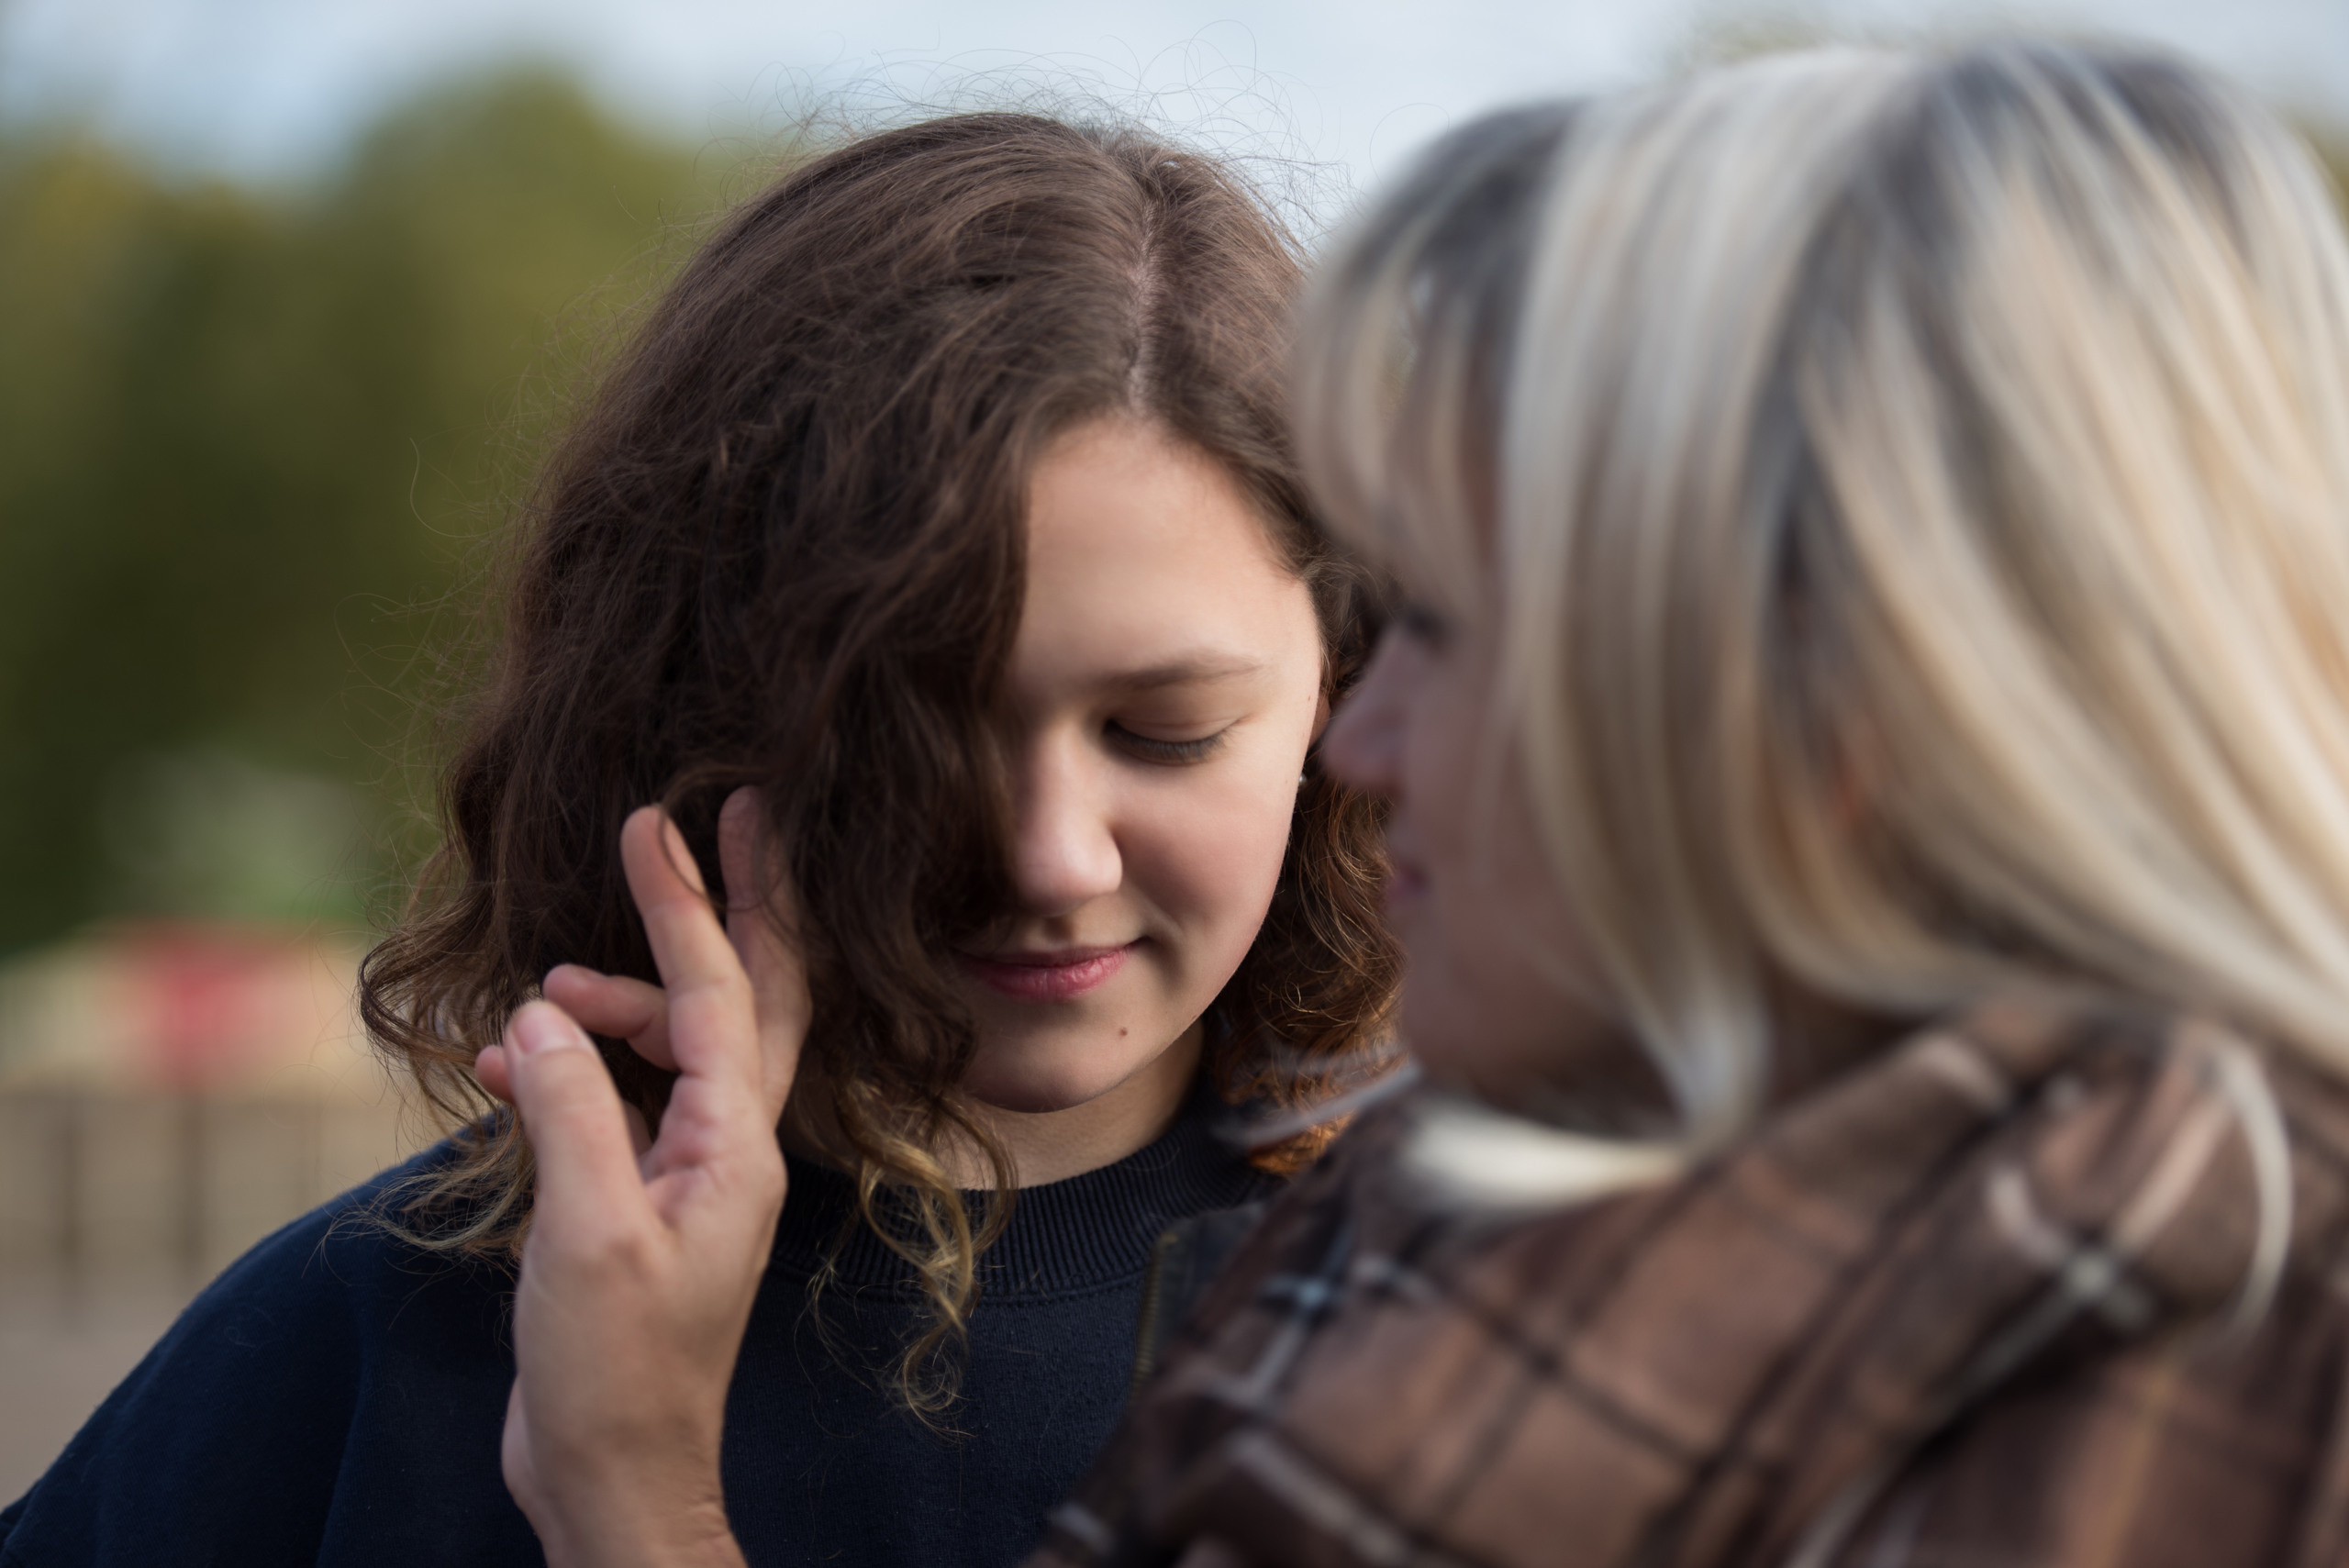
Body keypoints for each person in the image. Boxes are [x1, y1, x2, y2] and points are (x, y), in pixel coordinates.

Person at [406, 38, 2349, 1568]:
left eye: (1444, 621)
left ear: (1821, 697)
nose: (1359, 731)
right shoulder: (1411, 1234)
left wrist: (641, 1511)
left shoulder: (2205, 1381)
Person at [0, 113, 1395, 1568]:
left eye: (1163, 730)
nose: (1050, 858)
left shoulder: (1513, 1355)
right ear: (691, 700)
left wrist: (637, 1509)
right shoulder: (366, 1350)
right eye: (917, 727)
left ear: (1348, 687)